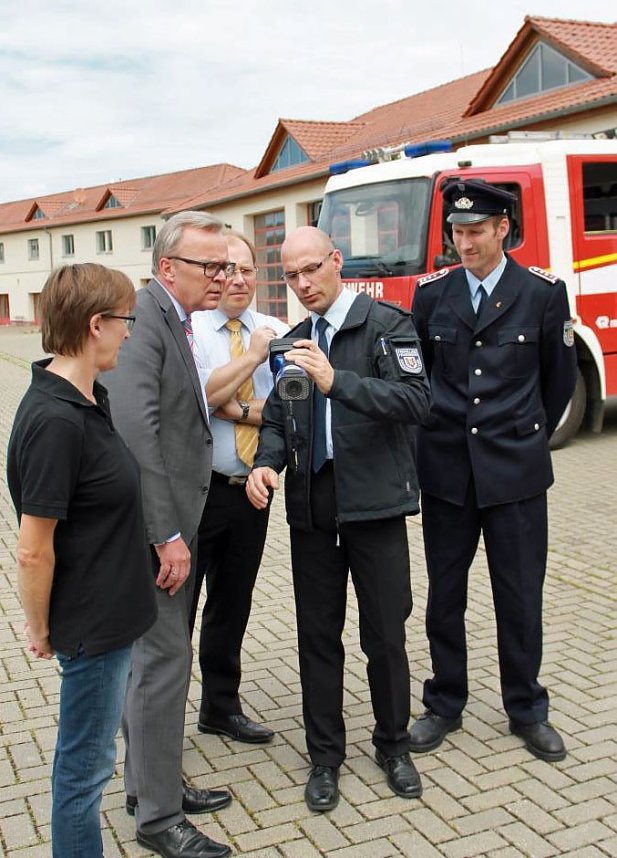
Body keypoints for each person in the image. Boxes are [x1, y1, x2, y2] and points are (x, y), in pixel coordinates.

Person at [246, 226, 431, 812]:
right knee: (317, 638)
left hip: (375, 505)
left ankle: (394, 746)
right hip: (313, 508)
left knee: (385, 635)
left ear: (336, 261)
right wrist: (266, 465)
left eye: (311, 270)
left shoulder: (388, 325)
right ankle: (325, 757)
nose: (302, 285)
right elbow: (278, 418)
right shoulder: (294, 340)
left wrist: (336, 381)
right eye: (291, 276)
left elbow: (415, 401)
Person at [410, 179, 577, 763]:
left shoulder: (541, 294)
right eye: (456, 233)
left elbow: (558, 383)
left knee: (519, 594)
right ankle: (444, 702)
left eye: (476, 231)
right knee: (444, 595)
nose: (464, 243)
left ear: (503, 228)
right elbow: (423, 381)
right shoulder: (432, 296)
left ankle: (527, 707)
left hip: (516, 475)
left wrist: (522, 434)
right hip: (448, 474)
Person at [6, 263, 158, 857]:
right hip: (90, 627)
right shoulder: (55, 420)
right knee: (84, 773)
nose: (130, 333)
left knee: (90, 763)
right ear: (97, 324)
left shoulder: (86, 398)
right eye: (127, 321)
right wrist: (40, 627)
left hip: (109, 617)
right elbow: (31, 547)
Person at [102, 212, 233, 858]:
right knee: (163, 664)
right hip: (154, 533)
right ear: (167, 269)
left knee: (153, 664)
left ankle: (147, 786)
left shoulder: (167, 316)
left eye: (225, 265)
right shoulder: (142, 322)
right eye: (209, 266)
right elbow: (137, 436)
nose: (222, 276)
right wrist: (167, 535)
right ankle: (157, 819)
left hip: (166, 524)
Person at [190, 232, 287, 744]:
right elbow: (203, 396)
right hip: (197, 493)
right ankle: (157, 723)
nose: (237, 279)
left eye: (246, 269)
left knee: (233, 604)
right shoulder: (190, 331)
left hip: (251, 490)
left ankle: (220, 708)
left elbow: (292, 410)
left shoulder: (278, 330)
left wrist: (237, 409)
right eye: (225, 269)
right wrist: (250, 360)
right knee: (178, 613)